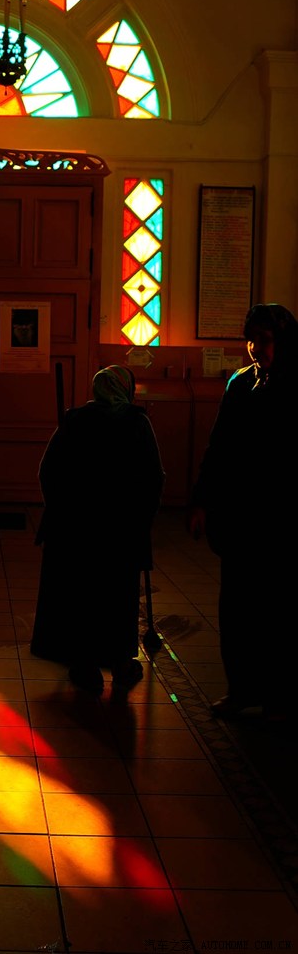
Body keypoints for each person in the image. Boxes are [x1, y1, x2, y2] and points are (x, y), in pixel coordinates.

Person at [189, 302, 298, 721]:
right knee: (236, 608)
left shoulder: (296, 385)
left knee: (278, 611)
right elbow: (219, 446)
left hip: (281, 519)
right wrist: (202, 500)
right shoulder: (240, 383)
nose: (255, 348)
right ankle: (241, 689)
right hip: (241, 517)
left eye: (264, 340)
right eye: (250, 340)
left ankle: (279, 698)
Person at [31, 364, 165, 694]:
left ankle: (85, 664)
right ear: (126, 389)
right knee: (118, 596)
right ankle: (120, 662)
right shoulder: (137, 423)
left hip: (77, 530)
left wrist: (60, 509)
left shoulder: (75, 421)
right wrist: (143, 518)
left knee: (82, 594)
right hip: (122, 530)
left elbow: (48, 470)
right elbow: (153, 476)